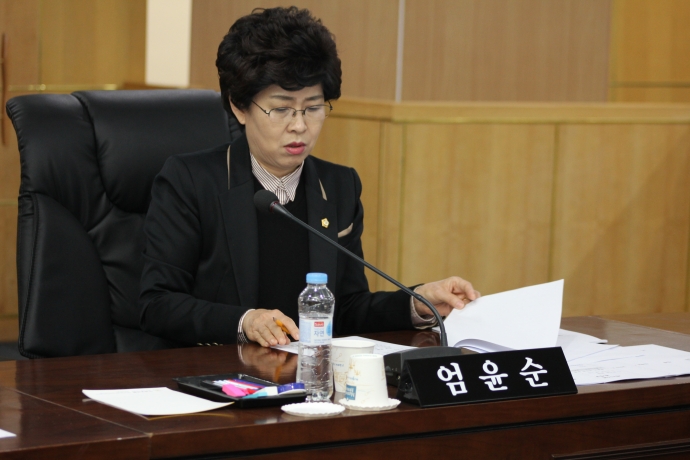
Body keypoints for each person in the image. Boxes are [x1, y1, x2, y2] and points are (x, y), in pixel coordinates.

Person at [139, 6, 479, 348]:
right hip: (219, 368)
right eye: (281, 109)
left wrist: (416, 303)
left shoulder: (339, 186)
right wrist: (245, 322)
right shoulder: (190, 181)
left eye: (313, 108)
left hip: (310, 371)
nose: (300, 125)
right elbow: (158, 305)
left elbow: (347, 308)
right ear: (240, 107)